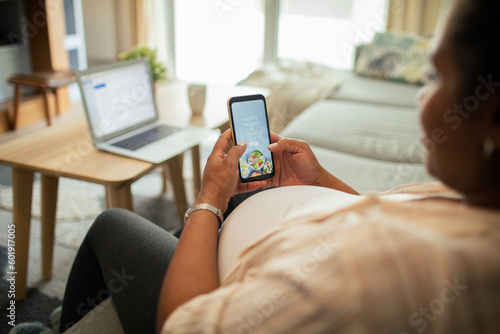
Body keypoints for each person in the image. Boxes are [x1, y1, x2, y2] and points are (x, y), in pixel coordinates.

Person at [12, 0, 500, 333]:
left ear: (491, 117)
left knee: (111, 223)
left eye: (436, 74)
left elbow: (184, 325)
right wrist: (319, 181)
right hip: (277, 231)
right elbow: (383, 212)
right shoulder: (473, 205)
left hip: (238, 276)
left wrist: (209, 200)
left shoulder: (375, 273)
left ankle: (53, 325)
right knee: (208, 215)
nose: (421, 95)